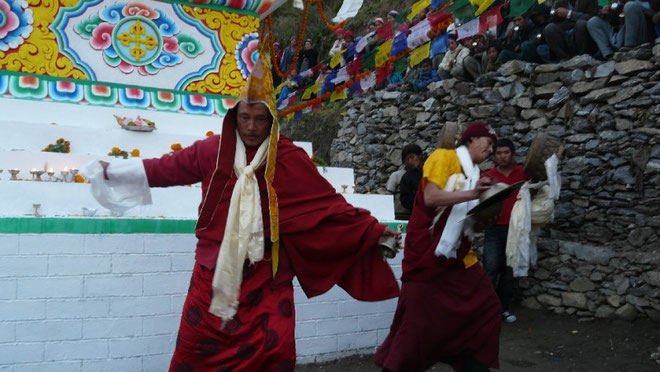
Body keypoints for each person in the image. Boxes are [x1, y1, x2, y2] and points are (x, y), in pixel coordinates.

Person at [83, 47, 401, 371]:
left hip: (267, 277)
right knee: (194, 355)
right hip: (213, 274)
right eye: (244, 118)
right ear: (234, 117)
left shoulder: (287, 158)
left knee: (274, 354)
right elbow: (164, 169)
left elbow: (329, 207)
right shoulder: (212, 151)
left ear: (272, 121)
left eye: (260, 119)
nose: (251, 127)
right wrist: (113, 170)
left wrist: (374, 231)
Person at [375, 122, 502, 372]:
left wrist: (485, 219)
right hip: (428, 255)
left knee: (488, 307)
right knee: (416, 327)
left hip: (459, 258)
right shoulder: (443, 157)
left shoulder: (475, 174)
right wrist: (473, 195)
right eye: (488, 144)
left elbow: (466, 223)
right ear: (472, 138)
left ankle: (471, 362)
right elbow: (431, 197)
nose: (490, 151)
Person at [481, 139, 530, 324]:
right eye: (499, 153)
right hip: (493, 229)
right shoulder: (489, 176)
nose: (502, 156)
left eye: (506, 152)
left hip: (515, 230)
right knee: (491, 269)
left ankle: (504, 309)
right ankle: (486, 310)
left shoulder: (524, 174)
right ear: (495, 156)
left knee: (509, 272)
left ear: (513, 154)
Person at [587, 0, 658, 59]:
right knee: (593, 22)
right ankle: (609, 55)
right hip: (620, 35)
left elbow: (653, 12)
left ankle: (629, 48)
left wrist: (630, 3)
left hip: (641, 36)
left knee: (630, 6)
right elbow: (615, 21)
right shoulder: (617, 2)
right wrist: (606, 13)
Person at [387, 144, 424, 220]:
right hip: (400, 216)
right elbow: (389, 198)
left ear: (420, 156)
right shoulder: (397, 176)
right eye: (407, 159)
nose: (410, 161)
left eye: (412, 157)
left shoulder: (426, 174)